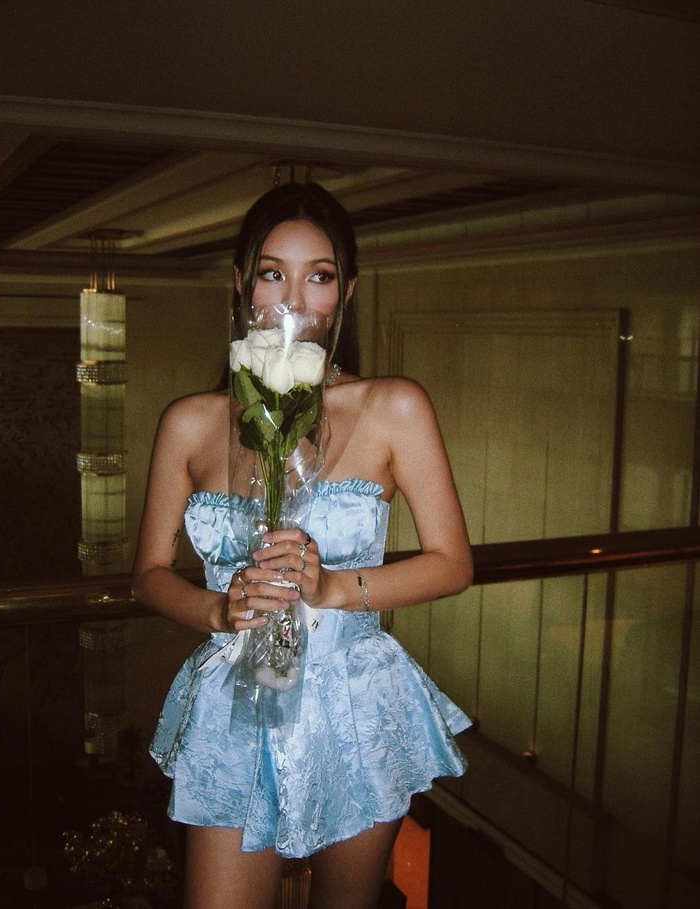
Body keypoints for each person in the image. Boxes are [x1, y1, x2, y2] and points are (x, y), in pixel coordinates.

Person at [131, 182, 474, 909]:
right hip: (239, 701)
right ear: (240, 284)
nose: (294, 298)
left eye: (318, 276)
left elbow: (453, 564)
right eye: (272, 273)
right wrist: (218, 611)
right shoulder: (190, 422)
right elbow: (149, 574)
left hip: (356, 701)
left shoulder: (392, 406)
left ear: (346, 293)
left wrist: (335, 587)